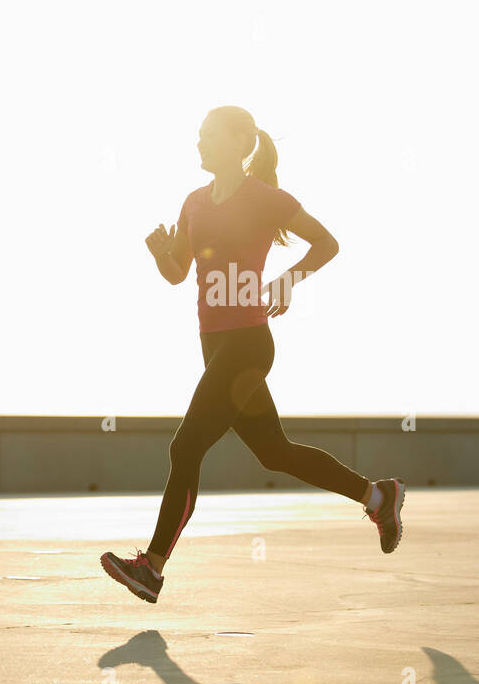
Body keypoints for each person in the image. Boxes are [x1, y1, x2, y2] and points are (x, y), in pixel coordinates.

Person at [101, 105, 404, 603]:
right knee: (275, 453)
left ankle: (152, 567)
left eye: (207, 136)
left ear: (239, 142)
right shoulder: (193, 203)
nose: (198, 144)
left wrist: (289, 278)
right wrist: (160, 253)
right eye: (197, 136)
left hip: (247, 344)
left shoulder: (266, 199)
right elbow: (179, 273)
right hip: (214, 346)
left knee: (186, 448)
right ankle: (378, 495)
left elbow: (327, 243)